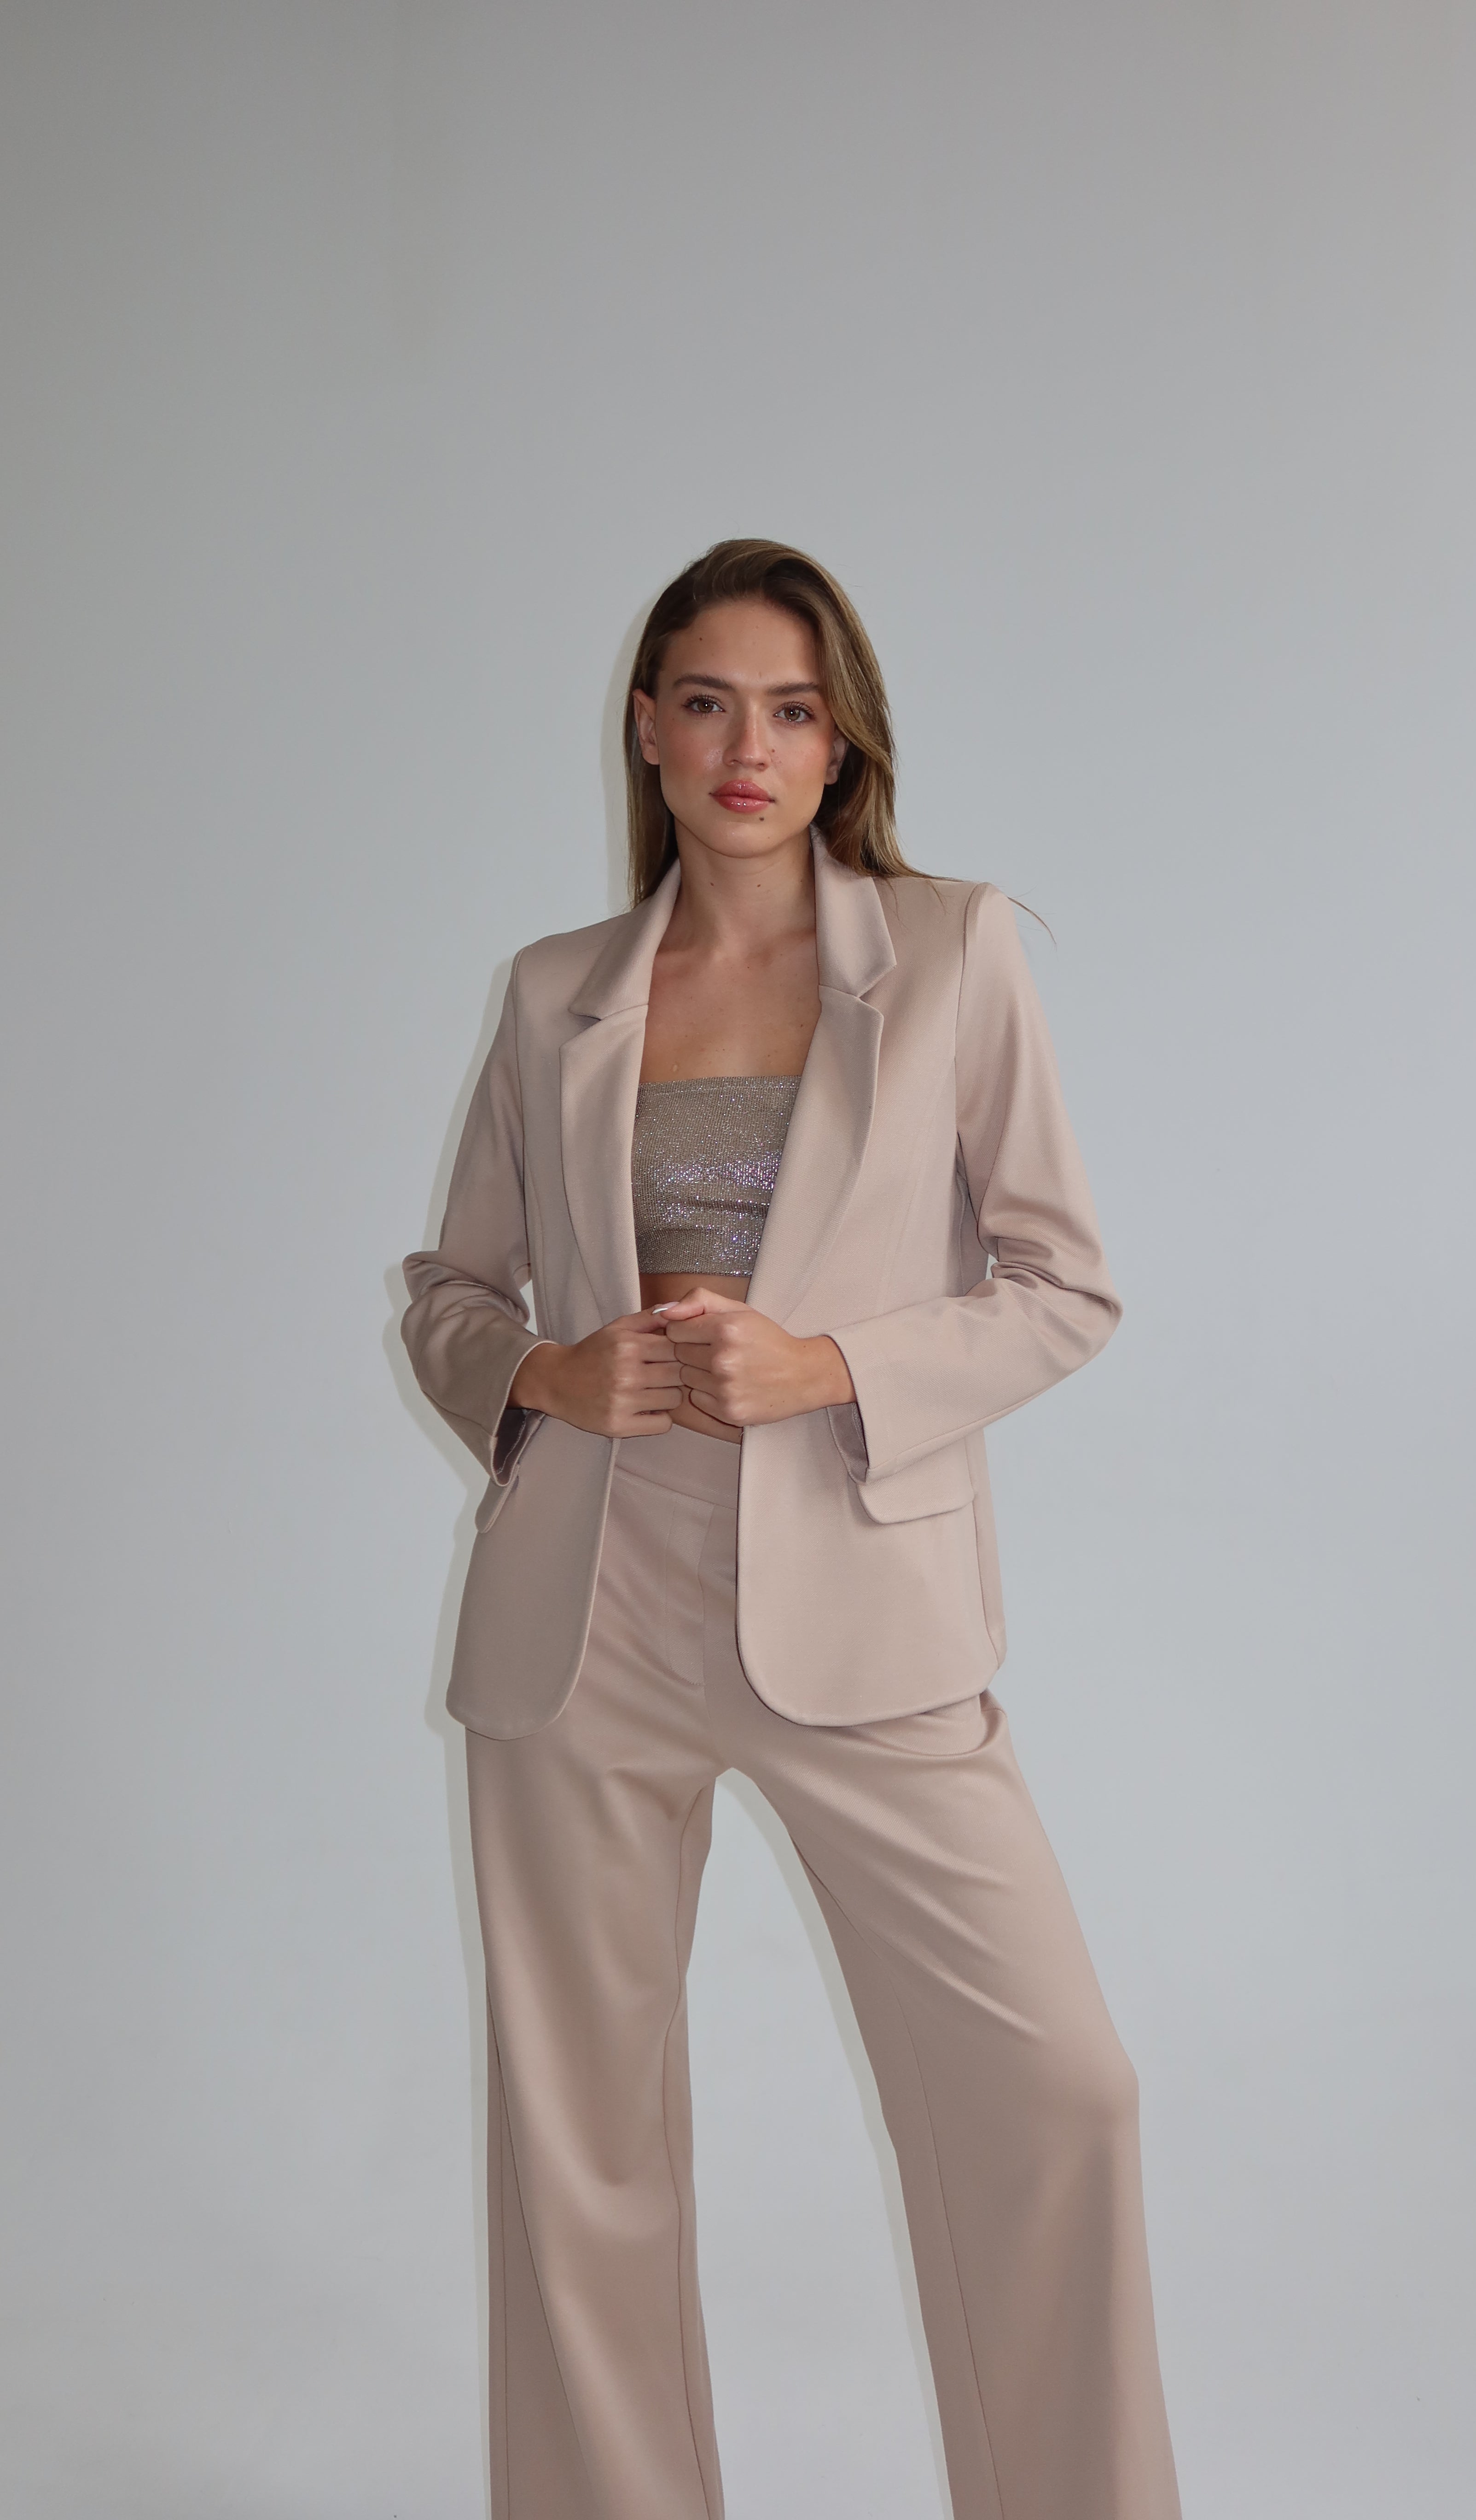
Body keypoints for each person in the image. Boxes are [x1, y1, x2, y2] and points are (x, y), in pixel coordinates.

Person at [401, 538, 1181, 2520]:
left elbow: (1065, 1286)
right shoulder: (556, 993)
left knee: (1059, 2094)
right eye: (708, 703)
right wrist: (547, 1373)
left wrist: (829, 1365)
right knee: (581, 2158)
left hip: (863, 1606)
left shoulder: (952, 952)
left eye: (793, 709)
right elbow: (450, 1294)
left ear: (843, 747)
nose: (748, 747)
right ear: (648, 731)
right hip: (585, 1615)